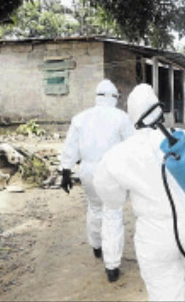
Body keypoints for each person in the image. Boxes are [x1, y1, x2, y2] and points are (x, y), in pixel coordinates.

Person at [93, 84, 185, 301]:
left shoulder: (122, 153)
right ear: (158, 109)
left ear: (132, 115)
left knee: (163, 291)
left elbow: (108, 194)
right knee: (183, 277)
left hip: (156, 236)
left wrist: (122, 197)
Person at [60, 79, 135, 282]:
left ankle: (96, 247)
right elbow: (132, 147)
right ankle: (111, 266)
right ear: (115, 98)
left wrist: (65, 171)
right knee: (112, 214)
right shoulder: (122, 118)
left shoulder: (80, 118)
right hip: (112, 172)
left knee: (94, 208)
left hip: (88, 171)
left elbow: (70, 147)